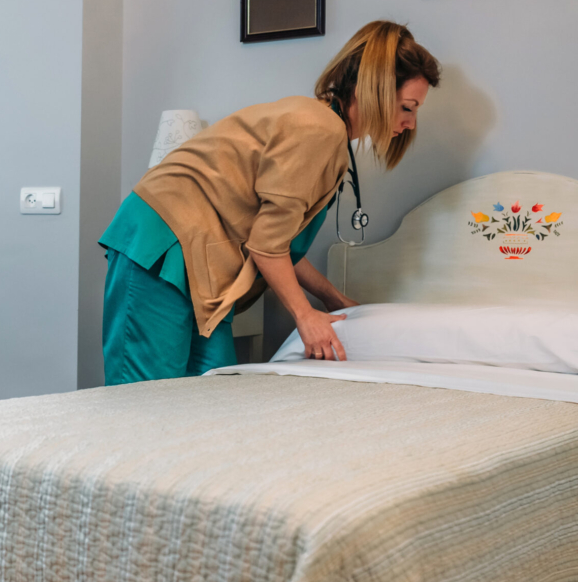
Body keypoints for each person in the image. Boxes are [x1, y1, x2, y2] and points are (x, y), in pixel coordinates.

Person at [100, 20, 441, 385]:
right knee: (144, 398)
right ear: (373, 91)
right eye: (408, 107)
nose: (410, 123)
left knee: (214, 391)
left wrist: (333, 298)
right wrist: (304, 314)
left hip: (202, 263)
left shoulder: (325, 133)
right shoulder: (318, 130)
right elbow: (267, 247)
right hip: (163, 244)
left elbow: (280, 243)